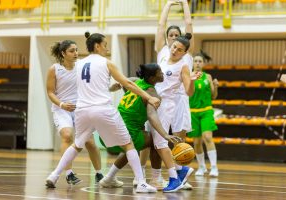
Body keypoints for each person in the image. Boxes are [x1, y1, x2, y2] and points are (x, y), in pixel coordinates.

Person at [45, 32, 161, 193]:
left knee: (77, 145)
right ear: (97, 46)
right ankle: (141, 183)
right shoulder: (107, 63)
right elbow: (127, 83)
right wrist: (149, 97)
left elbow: (90, 85)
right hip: (102, 109)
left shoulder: (78, 64)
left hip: (83, 111)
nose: (107, 48)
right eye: (105, 45)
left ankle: (54, 175)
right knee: (129, 145)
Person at [99, 63, 183, 192]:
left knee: (130, 149)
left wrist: (112, 88)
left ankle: (109, 178)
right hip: (127, 130)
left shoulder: (135, 83)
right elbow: (151, 115)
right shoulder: (152, 93)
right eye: (159, 72)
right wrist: (165, 135)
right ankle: (156, 179)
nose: (162, 74)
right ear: (152, 78)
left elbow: (126, 80)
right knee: (156, 141)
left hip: (108, 131)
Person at [138, 0, 195, 190]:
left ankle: (177, 173)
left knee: (172, 139)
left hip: (175, 100)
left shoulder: (184, 59)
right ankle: (172, 173)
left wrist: (185, 4)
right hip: (158, 100)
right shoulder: (163, 51)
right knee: (156, 141)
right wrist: (168, 4)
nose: (173, 41)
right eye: (171, 37)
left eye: (177, 37)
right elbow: (160, 25)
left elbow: (189, 24)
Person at [46, 40, 103, 186]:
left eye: (77, 50)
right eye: (72, 51)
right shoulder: (54, 69)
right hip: (61, 108)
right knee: (67, 136)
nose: (76, 53)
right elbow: (50, 92)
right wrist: (62, 104)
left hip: (80, 109)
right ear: (63, 53)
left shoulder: (82, 65)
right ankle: (69, 174)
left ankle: (99, 174)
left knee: (90, 142)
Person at [188, 50, 219, 177]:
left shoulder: (208, 77)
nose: (198, 63)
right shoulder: (188, 76)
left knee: (207, 137)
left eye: (200, 61)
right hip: (193, 112)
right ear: (192, 63)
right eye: (195, 61)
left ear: (203, 64)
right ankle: (201, 166)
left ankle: (214, 167)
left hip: (206, 111)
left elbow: (214, 96)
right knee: (196, 142)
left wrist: (216, 87)